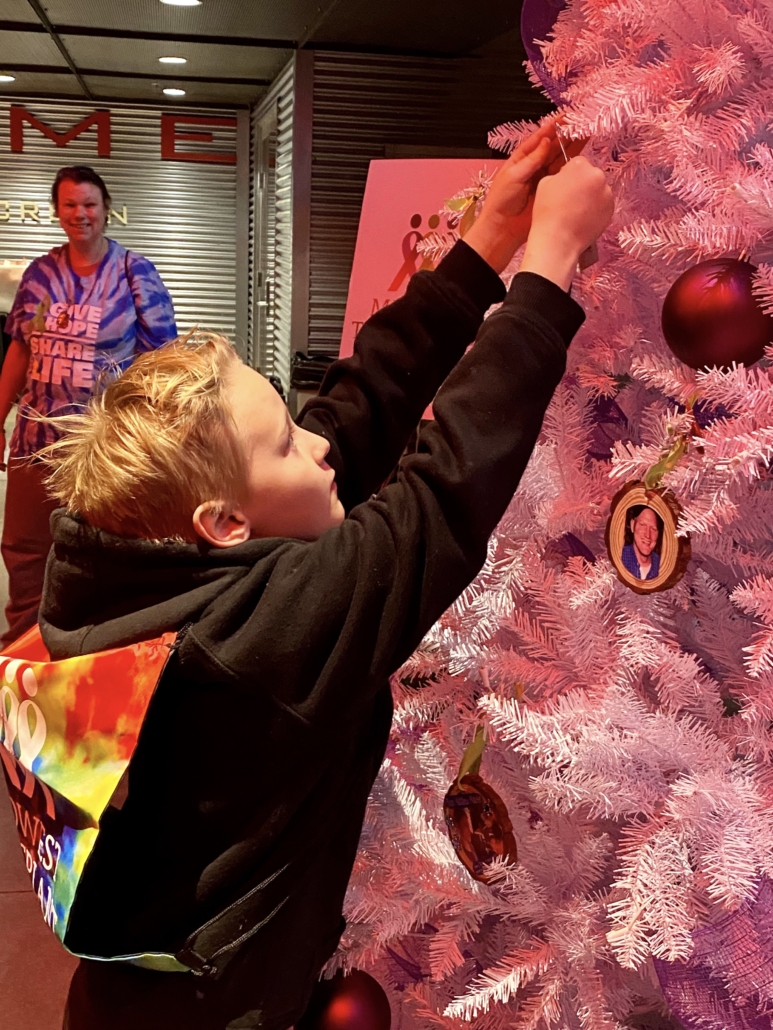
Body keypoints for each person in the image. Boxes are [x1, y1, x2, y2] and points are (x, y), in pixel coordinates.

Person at [32, 123, 613, 1030]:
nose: (315, 444)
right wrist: (546, 272)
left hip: (130, 993)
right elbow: (438, 498)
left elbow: (351, 409)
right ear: (223, 523)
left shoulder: (128, 563)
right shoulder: (250, 647)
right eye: (283, 442)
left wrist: (483, 245)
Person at [0, 165, 177, 645]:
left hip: (100, 450)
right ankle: (20, 661)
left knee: (103, 559)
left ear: (106, 209)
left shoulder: (133, 272)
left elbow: (160, 360)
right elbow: (20, 349)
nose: (81, 214)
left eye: (90, 204)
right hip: (35, 445)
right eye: (71, 205)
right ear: (58, 211)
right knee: (25, 559)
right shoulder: (40, 274)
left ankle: (87, 656)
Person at [621, 505, 663, 580]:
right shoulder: (620, 558)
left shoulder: (662, 566)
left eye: (653, 529)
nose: (647, 535)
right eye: (642, 525)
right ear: (632, 525)